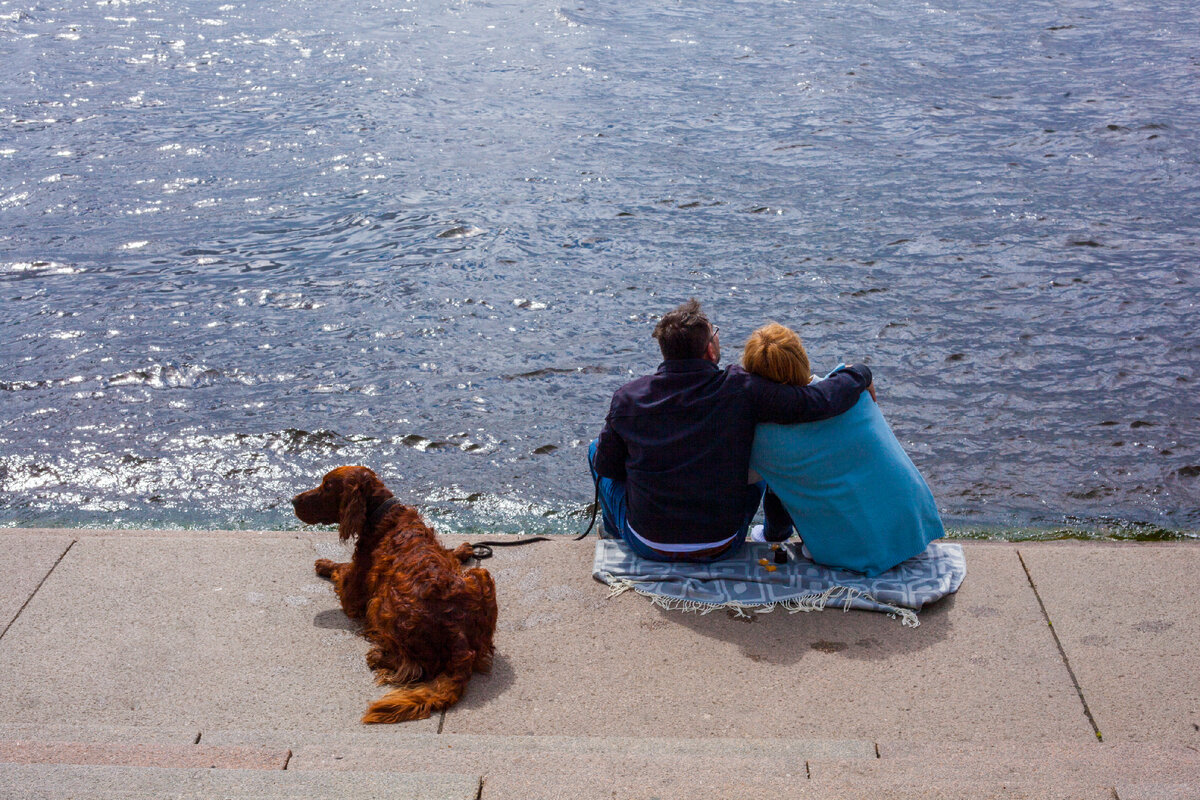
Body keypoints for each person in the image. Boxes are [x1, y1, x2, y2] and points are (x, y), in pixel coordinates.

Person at [589, 300, 874, 562]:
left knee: (595, 451)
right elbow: (817, 401)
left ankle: (615, 536)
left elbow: (608, 467)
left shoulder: (627, 398)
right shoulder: (740, 387)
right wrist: (858, 373)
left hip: (648, 544)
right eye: (715, 334)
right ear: (710, 350)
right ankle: (776, 532)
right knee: (760, 459)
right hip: (723, 542)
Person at [742, 323, 944, 576]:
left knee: (776, 477)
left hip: (856, 554)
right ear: (801, 357)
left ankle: (774, 535)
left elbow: (742, 479)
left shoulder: (763, 439)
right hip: (914, 528)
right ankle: (776, 532)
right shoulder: (850, 388)